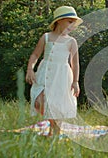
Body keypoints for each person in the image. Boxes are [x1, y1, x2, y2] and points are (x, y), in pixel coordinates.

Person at [25, 6, 83, 135]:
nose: (72, 25)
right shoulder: (46, 37)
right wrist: (30, 69)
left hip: (62, 75)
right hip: (45, 72)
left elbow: (75, 63)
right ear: (59, 21)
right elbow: (35, 55)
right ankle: (52, 124)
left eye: (73, 23)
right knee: (38, 102)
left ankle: (55, 130)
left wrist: (75, 81)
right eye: (69, 21)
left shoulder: (71, 41)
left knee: (58, 103)